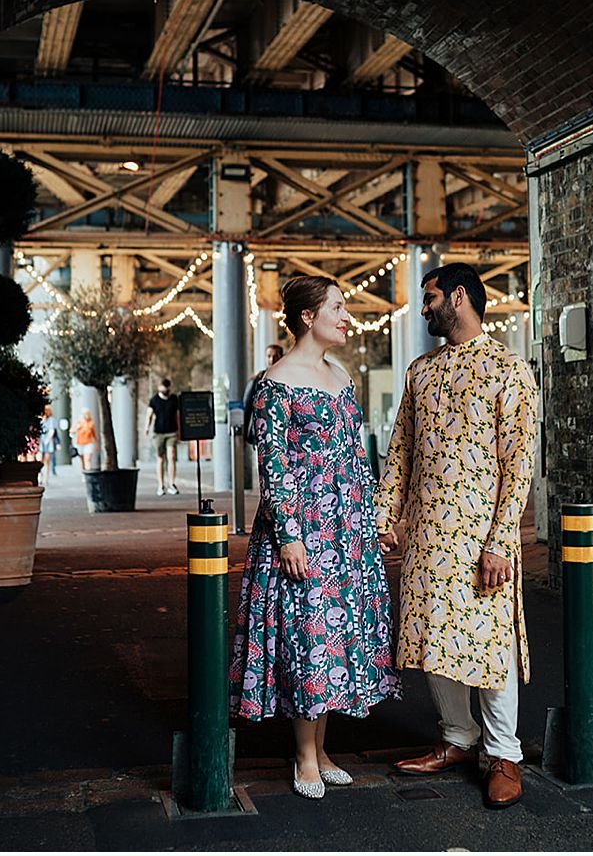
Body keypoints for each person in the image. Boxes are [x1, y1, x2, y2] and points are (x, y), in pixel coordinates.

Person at [374, 262, 538, 809]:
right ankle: (459, 739)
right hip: (427, 535)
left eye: (429, 298)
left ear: (459, 297)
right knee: (431, 640)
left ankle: (504, 752)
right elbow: (401, 449)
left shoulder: (507, 369)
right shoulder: (420, 371)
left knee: (490, 644)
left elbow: (519, 466)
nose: (422, 309)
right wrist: (385, 515)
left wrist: (499, 540)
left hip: (482, 539)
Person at [229, 276, 400, 800]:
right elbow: (274, 466)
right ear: (308, 317)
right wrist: (289, 536)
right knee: (309, 638)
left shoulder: (341, 375)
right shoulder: (276, 382)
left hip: (347, 528)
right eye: (338, 308)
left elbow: (356, 456)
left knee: (338, 637)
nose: (348, 316)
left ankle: (322, 751)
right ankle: (303, 756)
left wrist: (373, 516)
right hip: (304, 529)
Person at [145, 378, 180, 496]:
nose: (165, 389)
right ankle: (160, 485)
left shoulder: (174, 399)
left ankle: (172, 484)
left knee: (172, 456)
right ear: (159, 387)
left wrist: (179, 431)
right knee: (160, 458)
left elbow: (177, 415)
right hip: (158, 433)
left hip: (172, 432)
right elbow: (149, 415)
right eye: (163, 387)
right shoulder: (154, 400)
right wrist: (147, 428)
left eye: (167, 387)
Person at [38, 404, 57, 481]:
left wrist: (47, 440)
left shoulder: (51, 419)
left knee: (47, 459)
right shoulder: (41, 419)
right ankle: (40, 476)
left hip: (47, 441)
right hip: (41, 439)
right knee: (39, 459)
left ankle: (46, 477)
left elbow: (52, 430)